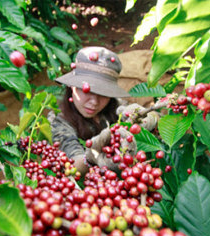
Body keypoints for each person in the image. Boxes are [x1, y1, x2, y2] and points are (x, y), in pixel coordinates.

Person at [50, 46, 158, 175]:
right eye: (87, 91)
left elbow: (153, 116)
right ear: (72, 86)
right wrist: (90, 158)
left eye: (103, 93)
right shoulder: (58, 119)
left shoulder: (115, 104)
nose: (94, 102)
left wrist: (150, 117)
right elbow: (73, 165)